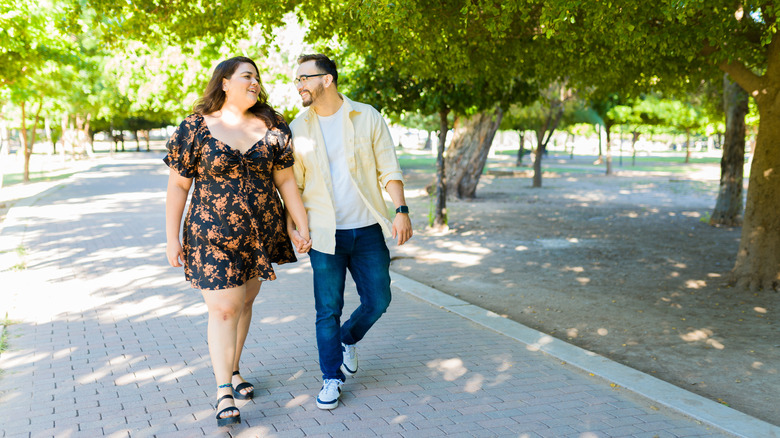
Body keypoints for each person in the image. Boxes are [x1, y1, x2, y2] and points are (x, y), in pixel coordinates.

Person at [164, 56, 310, 427]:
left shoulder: (273, 125)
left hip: (260, 233)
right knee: (225, 309)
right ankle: (223, 391)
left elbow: (286, 181)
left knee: (244, 303)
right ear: (225, 82)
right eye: (247, 76)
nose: (255, 82)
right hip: (210, 235)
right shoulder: (195, 127)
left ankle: (233, 368)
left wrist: (301, 225)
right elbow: (178, 186)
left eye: (257, 77)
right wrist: (171, 238)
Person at [286, 54, 413, 410]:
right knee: (327, 309)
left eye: (304, 78)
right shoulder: (298, 128)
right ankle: (331, 377)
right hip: (325, 235)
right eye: (297, 80)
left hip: (367, 230)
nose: (299, 86)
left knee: (379, 300)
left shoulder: (366, 116)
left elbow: (388, 166)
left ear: (326, 79)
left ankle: (347, 339)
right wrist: (293, 227)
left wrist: (401, 210)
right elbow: (294, 186)